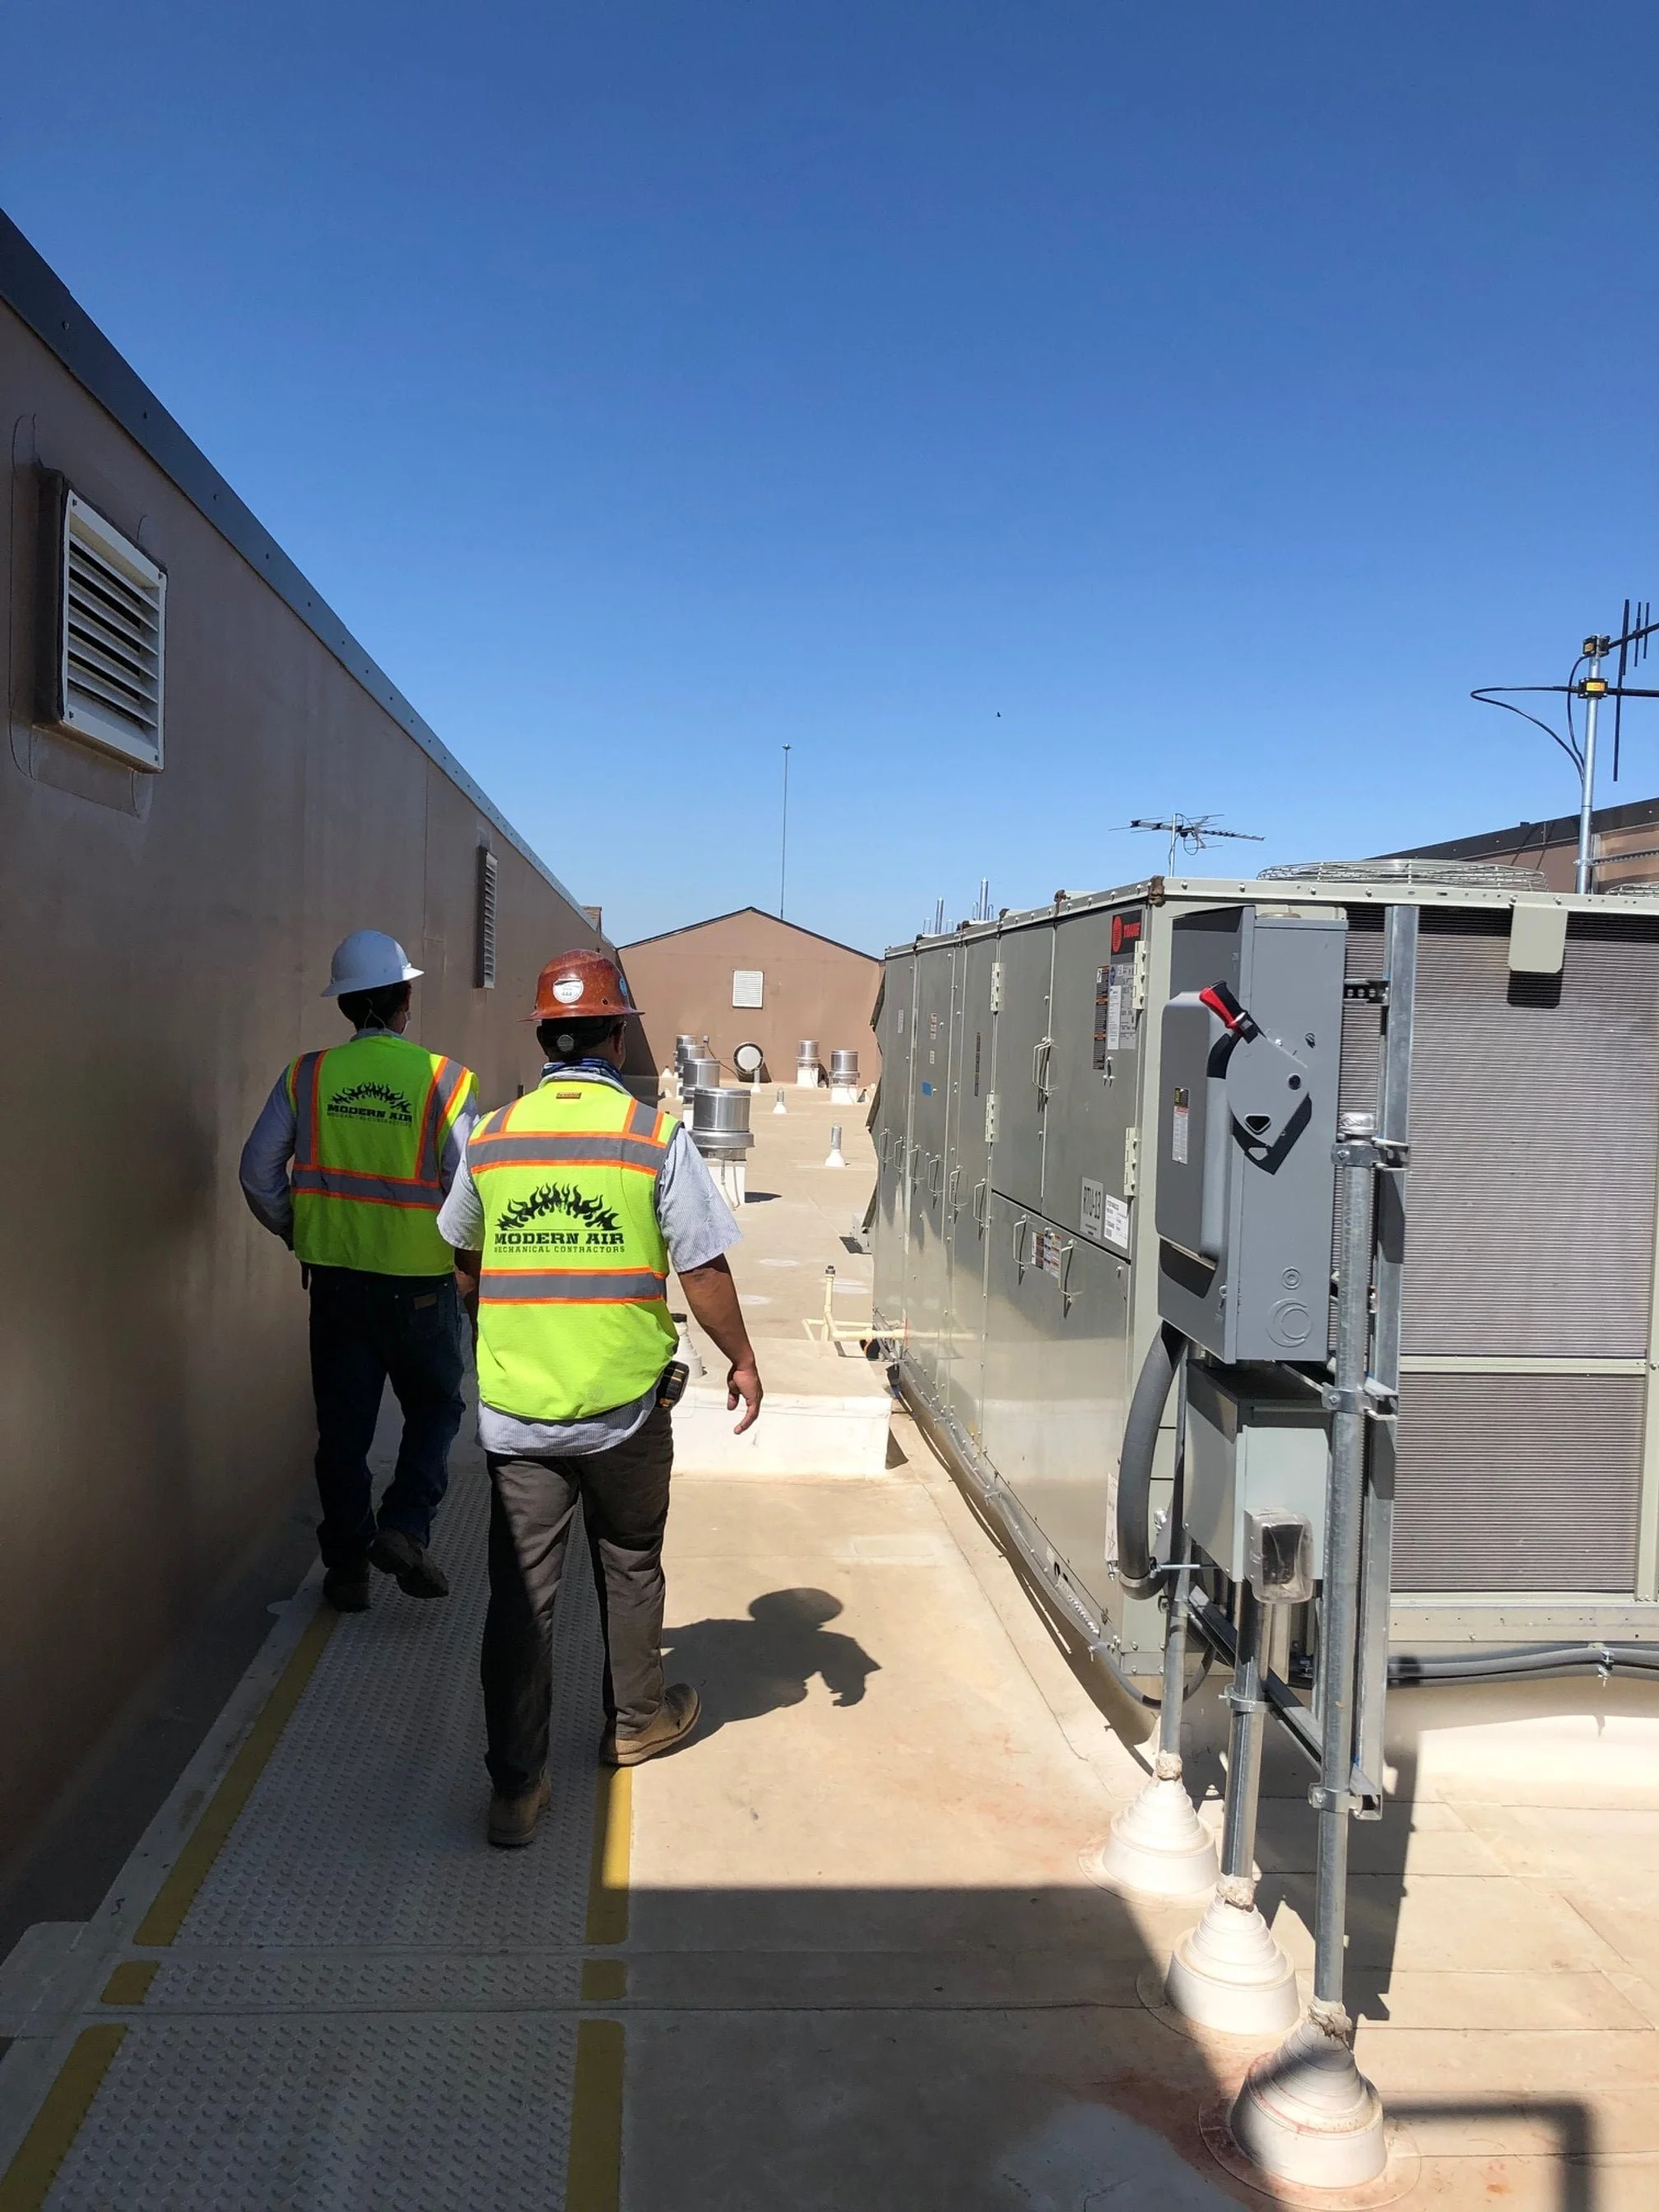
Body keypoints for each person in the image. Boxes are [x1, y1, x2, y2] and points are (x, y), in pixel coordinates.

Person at [438, 949, 762, 1849]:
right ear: (616, 1035)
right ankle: (632, 1724)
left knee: (520, 1598)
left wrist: (498, 1321)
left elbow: (463, 1253)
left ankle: (514, 1791)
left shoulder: (493, 1136)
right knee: (628, 1564)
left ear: (545, 1036)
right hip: (623, 1410)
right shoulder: (653, 1137)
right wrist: (740, 1358)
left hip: (517, 1415)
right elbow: (701, 1264)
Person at [239, 929, 478, 1613]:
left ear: (345, 1006)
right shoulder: (443, 1080)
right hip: (420, 1290)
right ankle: (404, 1526)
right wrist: (466, 1268)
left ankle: (346, 1569)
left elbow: (257, 1173)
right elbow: (468, 1189)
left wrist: (296, 1226)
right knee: (435, 1407)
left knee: (343, 1431)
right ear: (405, 999)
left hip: (337, 1284)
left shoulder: (308, 1076)